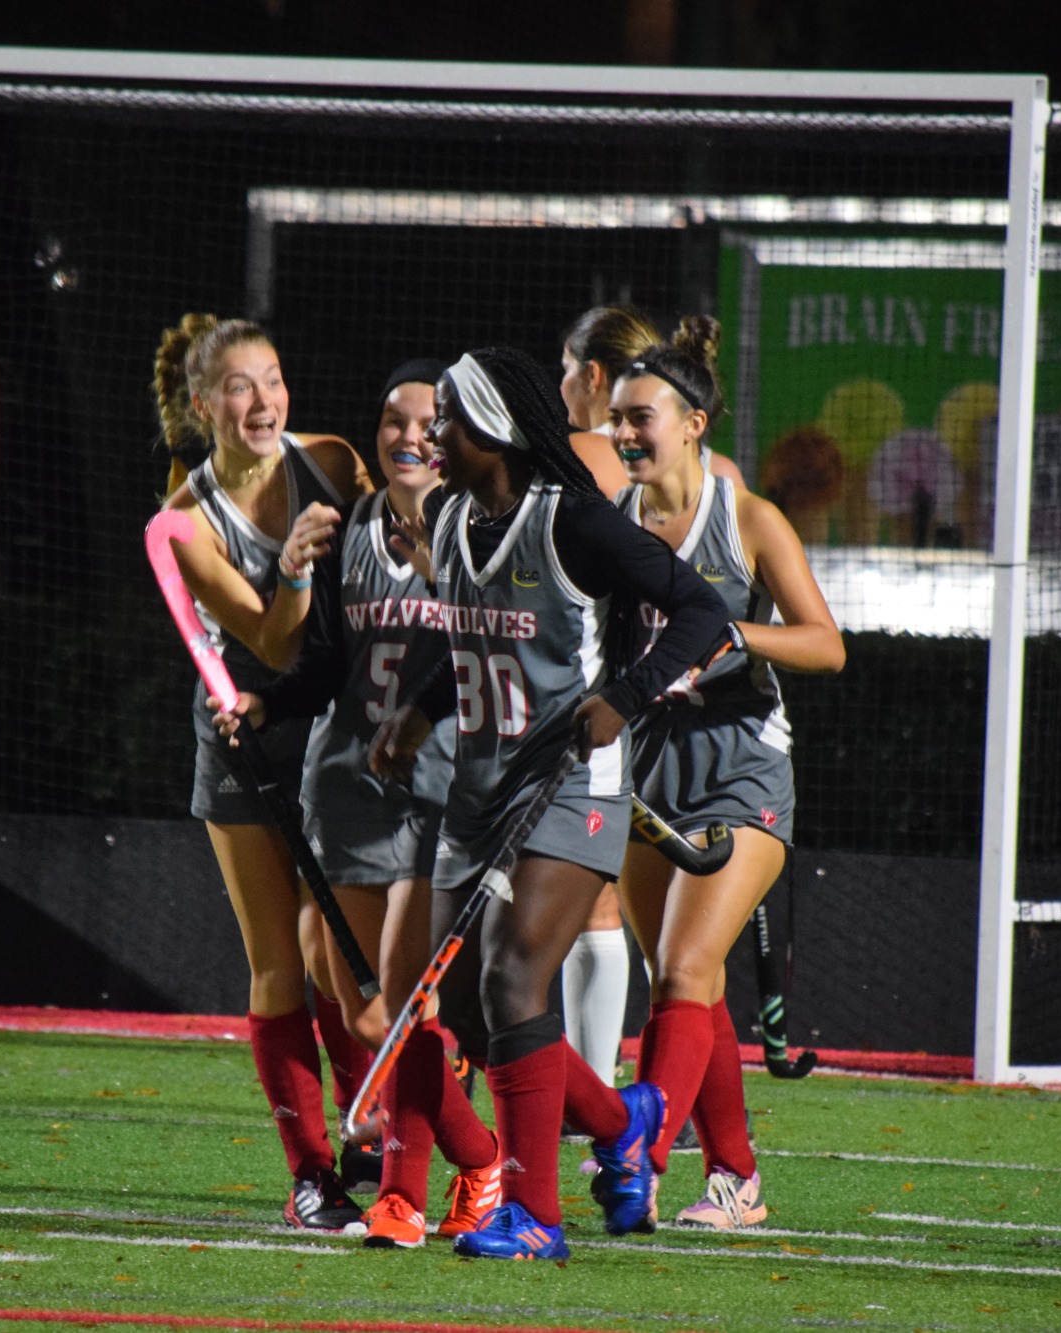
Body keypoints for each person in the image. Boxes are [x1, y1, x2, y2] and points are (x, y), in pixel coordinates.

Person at [371, 347, 729, 1260]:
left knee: (514, 979)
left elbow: (702, 613)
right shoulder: (449, 519)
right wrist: (413, 715)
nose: (430, 434)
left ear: (492, 427)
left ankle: (535, 1218)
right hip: (481, 786)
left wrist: (631, 693)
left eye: (446, 417)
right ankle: (621, 1121)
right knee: (473, 1011)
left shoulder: (571, 521)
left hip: (573, 785)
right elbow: (465, 643)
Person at [217, 361, 502, 1249]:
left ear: (456, 441)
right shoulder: (347, 532)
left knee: (408, 1003)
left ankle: (401, 1195)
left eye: (429, 422)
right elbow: (323, 666)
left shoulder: (483, 537)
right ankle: (483, 1157)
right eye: (393, 420)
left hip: (438, 796)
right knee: (365, 1012)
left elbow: (500, 662)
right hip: (343, 790)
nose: (410, 435)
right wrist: (264, 701)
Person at [610, 319, 844, 1230]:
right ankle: (737, 1179)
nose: (626, 434)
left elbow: (826, 644)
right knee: (686, 982)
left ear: (696, 422)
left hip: (743, 764)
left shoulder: (748, 518)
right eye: (620, 420)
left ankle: (639, 1158)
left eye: (642, 419)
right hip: (644, 765)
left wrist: (736, 635)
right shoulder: (610, 524)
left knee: (683, 966)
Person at [151, 313, 376, 1233]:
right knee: (280, 965)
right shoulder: (183, 520)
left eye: (274, 378)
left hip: (344, 734)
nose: (264, 400)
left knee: (344, 954)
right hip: (246, 739)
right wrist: (288, 569)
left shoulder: (330, 457)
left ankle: (373, 1131)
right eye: (242, 386)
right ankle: (312, 1176)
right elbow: (272, 638)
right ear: (205, 404)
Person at [555, 306, 748, 1090]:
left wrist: (728, 646)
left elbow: (799, 635)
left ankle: (617, 1128)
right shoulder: (701, 478)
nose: (559, 387)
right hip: (644, 741)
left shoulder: (582, 465)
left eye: (565, 370)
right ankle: (724, 1162)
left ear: (592, 376)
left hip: (689, 745)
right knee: (686, 973)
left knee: (657, 953)